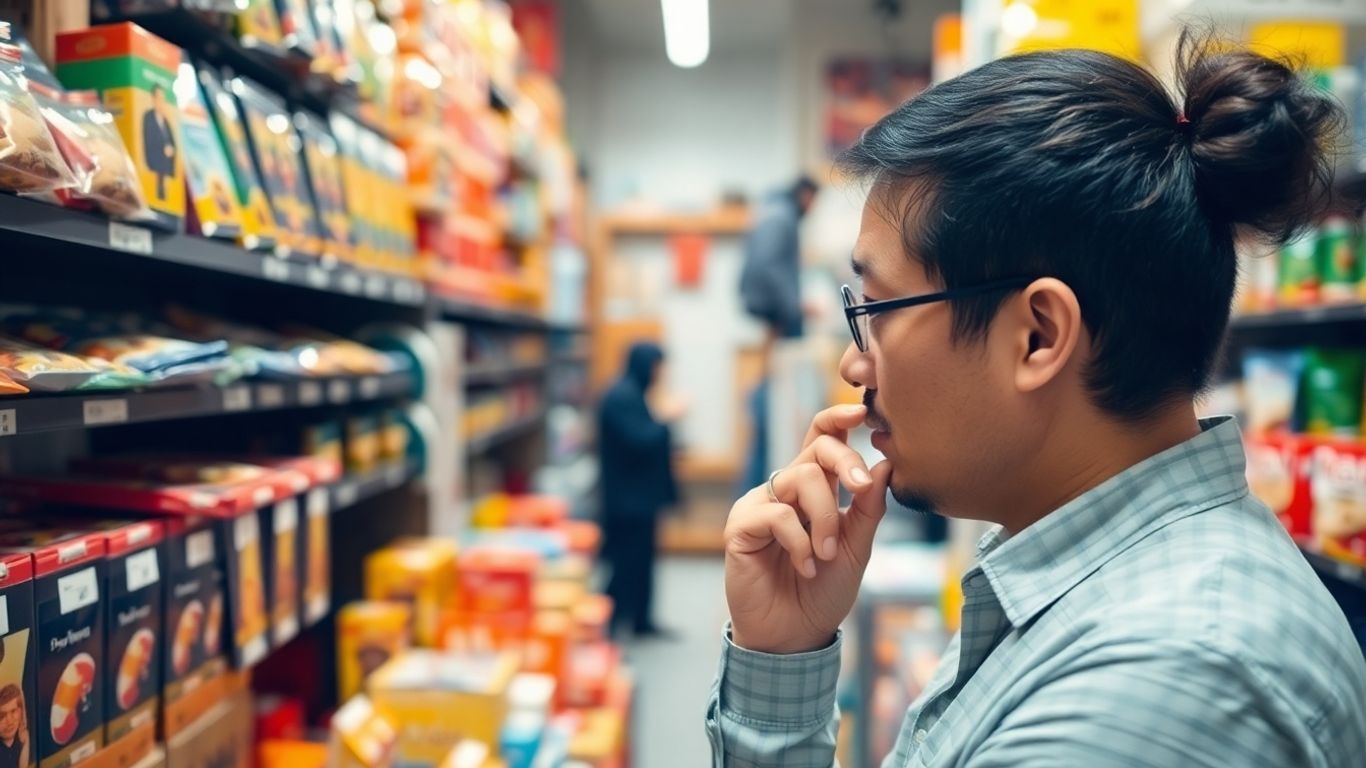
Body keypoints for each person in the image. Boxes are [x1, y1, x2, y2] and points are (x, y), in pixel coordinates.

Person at [707, 32, 1366, 767]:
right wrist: (782, 657)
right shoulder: (1085, 581)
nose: (854, 361)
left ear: (1037, 336)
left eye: (878, 308)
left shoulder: (1153, 688)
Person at [737, 176, 820, 493]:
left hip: (771, 316)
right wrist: (794, 308)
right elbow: (770, 268)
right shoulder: (782, 217)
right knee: (772, 421)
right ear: (804, 195)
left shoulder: (771, 212)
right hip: (777, 318)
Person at [598, 342, 683, 639]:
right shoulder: (621, 397)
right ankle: (608, 627)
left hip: (639, 498)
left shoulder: (632, 394)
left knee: (643, 561)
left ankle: (641, 621)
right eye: (657, 366)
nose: (659, 374)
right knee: (625, 564)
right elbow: (640, 441)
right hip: (626, 500)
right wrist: (666, 418)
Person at [141, 84, 177, 200]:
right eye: (158, 98)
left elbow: (171, 140)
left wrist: (171, 149)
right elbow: (148, 141)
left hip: (167, 165)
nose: (161, 102)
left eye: (163, 99)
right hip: (155, 164)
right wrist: (163, 150)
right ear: (153, 98)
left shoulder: (165, 119)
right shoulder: (148, 117)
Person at [0, 684, 28, 768]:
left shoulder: (22, 737)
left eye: (13, 711)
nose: (9, 721)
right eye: (2, 716)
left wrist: (26, 743)